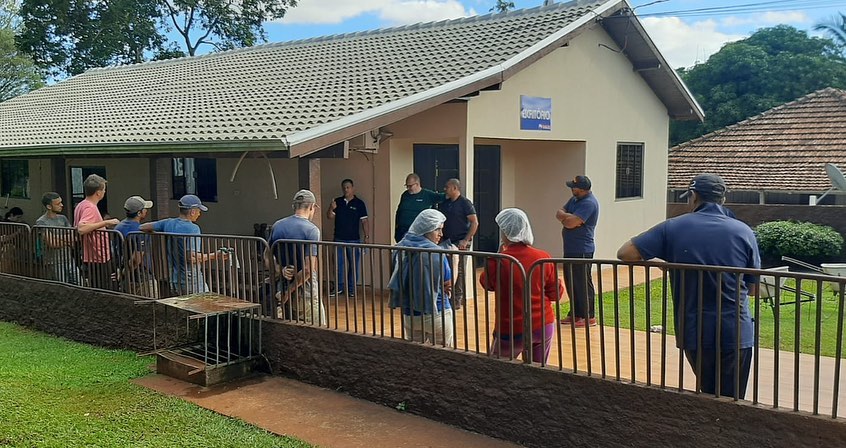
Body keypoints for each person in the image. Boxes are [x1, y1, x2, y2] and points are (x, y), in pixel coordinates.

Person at [617, 174, 760, 399]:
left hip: (695, 329)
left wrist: (665, 263)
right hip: (736, 329)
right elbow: (753, 289)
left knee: (708, 393)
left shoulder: (673, 227)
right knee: (733, 400)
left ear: (693, 196)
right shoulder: (744, 231)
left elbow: (625, 253)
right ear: (723, 199)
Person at [480, 208, 563, 363]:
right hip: (543, 324)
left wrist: (496, 256)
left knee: (498, 369)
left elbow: (487, 284)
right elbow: (555, 294)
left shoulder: (499, 260)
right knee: (538, 370)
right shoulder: (543, 257)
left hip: (511, 328)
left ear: (505, 233)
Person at [388, 209, 453, 346]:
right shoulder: (437, 253)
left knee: (415, 355)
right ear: (426, 229)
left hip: (410, 316)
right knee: (443, 354)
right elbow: (448, 284)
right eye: (437, 229)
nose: (441, 234)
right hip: (437, 313)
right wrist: (456, 260)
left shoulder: (399, 248)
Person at [141, 194, 224, 295]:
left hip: (174, 279)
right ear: (192, 212)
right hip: (191, 279)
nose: (199, 214)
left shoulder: (168, 223)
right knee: (203, 303)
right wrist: (215, 255)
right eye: (198, 210)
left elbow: (142, 227)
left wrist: (156, 233)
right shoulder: (193, 229)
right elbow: (191, 258)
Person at [267, 189, 326, 325]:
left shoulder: (277, 225)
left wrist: (280, 270)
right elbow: (308, 270)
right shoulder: (312, 230)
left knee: (290, 327)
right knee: (317, 329)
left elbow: (267, 256)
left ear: (294, 206)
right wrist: (290, 291)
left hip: (282, 286)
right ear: (312, 207)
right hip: (305, 292)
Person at [556, 175, 599, 327]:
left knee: (582, 282)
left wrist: (569, 219)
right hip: (570, 248)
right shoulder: (574, 200)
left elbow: (570, 223)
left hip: (582, 249)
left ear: (581, 189)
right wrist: (568, 217)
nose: (571, 189)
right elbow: (559, 213)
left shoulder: (589, 203)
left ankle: (588, 316)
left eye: (573, 187)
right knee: (571, 282)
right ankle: (575, 314)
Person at [73, 174, 120, 289]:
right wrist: (106, 222)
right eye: (104, 190)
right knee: (104, 287)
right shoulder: (90, 207)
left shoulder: (81, 205)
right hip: (98, 256)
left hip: (91, 255)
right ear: (98, 193)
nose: (104, 192)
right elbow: (81, 228)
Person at [327, 179, 370, 297]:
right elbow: (329, 216)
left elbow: (365, 221)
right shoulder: (337, 201)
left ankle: (352, 289)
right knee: (338, 265)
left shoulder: (359, 203)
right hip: (338, 238)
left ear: (352, 188)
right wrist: (331, 207)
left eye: (348, 187)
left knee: (353, 265)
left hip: (354, 239)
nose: (346, 190)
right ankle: (339, 288)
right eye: (344, 188)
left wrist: (366, 236)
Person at [440, 178, 478, 308]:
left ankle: (457, 298)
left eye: (447, 187)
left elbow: (474, 222)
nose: (445, 189)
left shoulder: (465, 203)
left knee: (459, 269)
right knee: (447, 268)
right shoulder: (445, 203)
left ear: (455, 188)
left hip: (461, 240)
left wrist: (466, 240)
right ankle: (447, 295)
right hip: (447, 240)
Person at [115, 196, 157, 297]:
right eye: (144, 209)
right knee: (151, 303)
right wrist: (125, 272)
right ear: (139, 213)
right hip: (142, 276)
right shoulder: (140, 230)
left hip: (125, 277)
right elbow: (136, 259)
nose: (146, 211)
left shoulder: (118, 227)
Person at [34, 193, 80, 285]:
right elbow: (52, 243)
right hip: (54, 262)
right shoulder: (41, 221)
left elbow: (73, 238)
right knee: (62, 286)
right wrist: (66, 240)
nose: (61, 205)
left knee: (79, 283)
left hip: (69, 259)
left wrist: (56, 238)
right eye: (58, 204)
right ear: (49, 206)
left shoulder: (63, 218)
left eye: (61, 202)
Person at [394, 173, 445, 242]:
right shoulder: (405, 195)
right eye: (407, 186)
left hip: (418, 232)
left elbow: (443, 197)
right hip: (402, 231)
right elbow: (399, 211)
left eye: (410, 186)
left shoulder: (427, 194)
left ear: (417, 184)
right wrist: (396, 227)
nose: (408, 188)